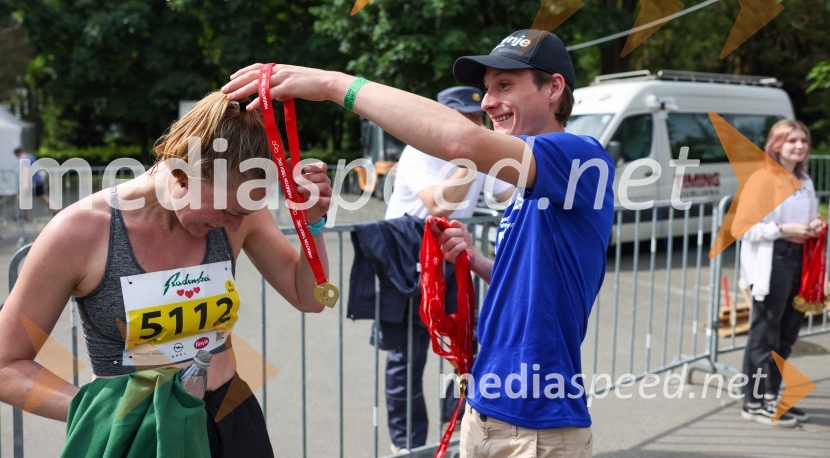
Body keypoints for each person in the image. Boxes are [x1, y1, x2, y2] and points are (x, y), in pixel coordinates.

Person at [222, 28, 615, 458]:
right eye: (487, 88)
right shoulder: (531, 180)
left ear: (554, 88)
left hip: (537, 425)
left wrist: (332, 84)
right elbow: (535, 282)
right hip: (487, 412)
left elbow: (461, 142)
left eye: (504, 85)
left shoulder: (580, 155)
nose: (487, 102)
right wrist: (478, 260)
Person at [0, 93, 332, 457]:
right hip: (135, 429)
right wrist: (96, 410)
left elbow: (310, 298)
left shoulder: (239, 214)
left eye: (244, 212)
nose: (236, 224)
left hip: (230, 416)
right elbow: (6, 365)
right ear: (182, 175)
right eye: (227, 210)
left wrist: (312, 225)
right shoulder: (79, 231)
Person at [383, 86, 513, 453]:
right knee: (406, 356)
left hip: (452, 253)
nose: (471, 126)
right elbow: (440, 205)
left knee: (463, 347)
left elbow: (508, 193)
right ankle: (407, 445)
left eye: (475, 118)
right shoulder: (418, 151)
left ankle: (456, 432)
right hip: (407, 255)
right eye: (462, 118)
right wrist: (472, 159)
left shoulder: (479, 153)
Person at [737, 119, 821, 427]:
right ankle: (753, 400)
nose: (799, 146)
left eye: (803, 141)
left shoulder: (804, 180)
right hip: (773, 261)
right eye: (791, 140)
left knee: (787, 334)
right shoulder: (763, 179)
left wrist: (814, 226)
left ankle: (771, 395)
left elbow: (808, 217)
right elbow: (743, 227)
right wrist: (783, 229)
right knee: (765, 334)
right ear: (776, 145)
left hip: (801, 260)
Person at [14, 146, 56, 218]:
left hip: (31, 182)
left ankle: (24, 215)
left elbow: (26, 171)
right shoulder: (30, 156)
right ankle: (55, 208)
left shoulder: (24, 159)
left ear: (17, 154)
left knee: (22, 197)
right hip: (37, 180)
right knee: (42, 196)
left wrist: (25, 184)